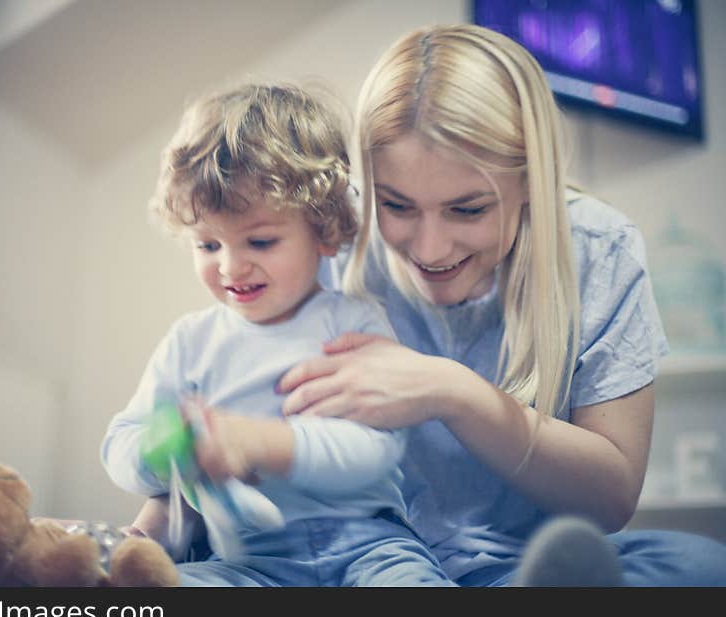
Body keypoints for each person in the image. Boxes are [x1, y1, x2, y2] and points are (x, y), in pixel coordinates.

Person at [276, 24, 726, 586]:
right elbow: (233, 394)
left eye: (468, 210)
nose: (430, 248)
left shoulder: (599, 249)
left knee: (702, 569)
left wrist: (453, 392)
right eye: (397, 205)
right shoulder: (332, 235)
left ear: (530, 181)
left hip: (523, 563)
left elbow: (612, 500)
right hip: (364, 560)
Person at [101, 82, 451, 586]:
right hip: (247, 557)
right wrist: (169, 450)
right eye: (206, 244)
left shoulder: (352, 322)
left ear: (325, 229)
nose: (230, 265)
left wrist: (264, 443)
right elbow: (119, 443)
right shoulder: (191, 341)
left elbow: (376, 451)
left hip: (370, 545)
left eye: (260, 241)